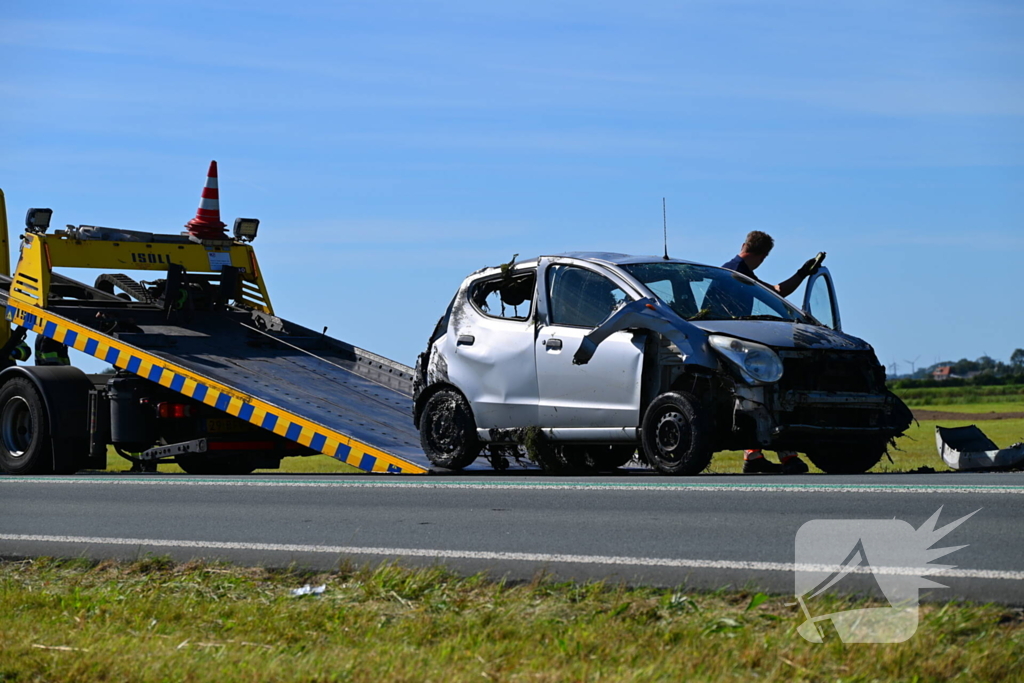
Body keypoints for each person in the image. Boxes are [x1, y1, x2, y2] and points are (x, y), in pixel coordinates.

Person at [723, 230, 822, 475]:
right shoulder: (738, 272)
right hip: (736, 343)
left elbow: (774, 291)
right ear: (763, 256)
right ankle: (780, 454)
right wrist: (801, 274)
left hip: (733, 342)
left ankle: (755, 455)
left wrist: (801, 274)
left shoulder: (732, 270)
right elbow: (775, 293)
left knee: (752, 396)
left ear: (743, 244)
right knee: (765, 392)